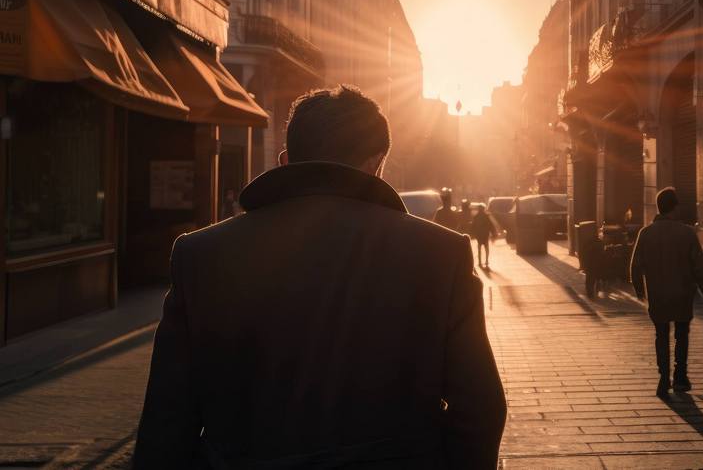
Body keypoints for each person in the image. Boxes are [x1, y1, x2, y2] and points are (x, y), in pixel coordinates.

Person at [133, 85, 507, 469]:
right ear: (377, 163)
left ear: (285, 160)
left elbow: (167, 420)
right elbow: (479, 408)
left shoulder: (201, 254)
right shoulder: (440, 254)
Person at [630, 187, 703, 399]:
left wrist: (639, 288)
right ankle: (680, 376)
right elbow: (699, 267)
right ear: (675, 208)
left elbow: (635, 265)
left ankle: (663, 378)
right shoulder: (686, 233)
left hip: (658, 295)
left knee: (661, 335)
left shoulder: (646, 233)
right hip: (682, 294)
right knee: (681, 334)